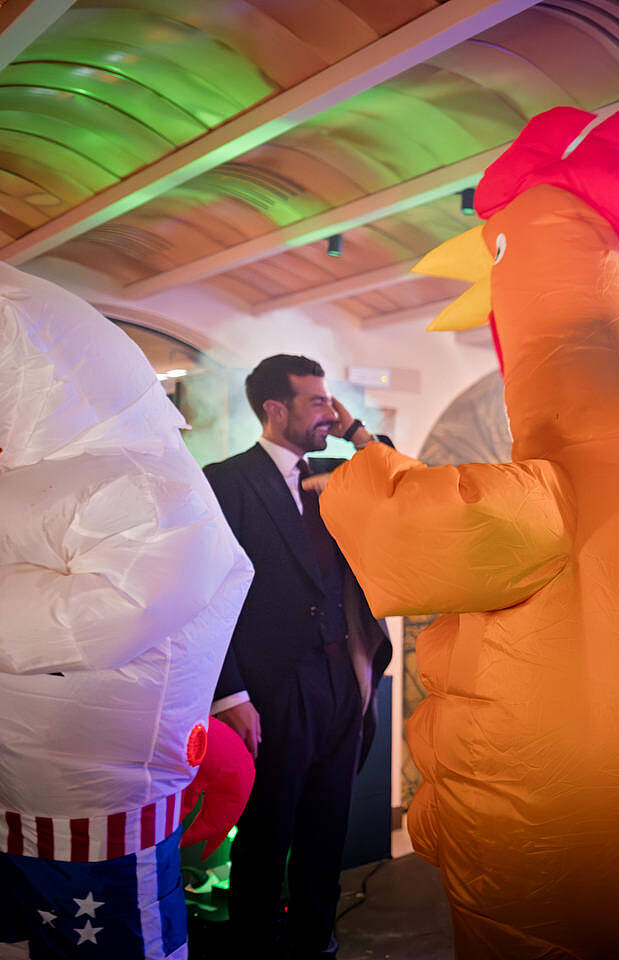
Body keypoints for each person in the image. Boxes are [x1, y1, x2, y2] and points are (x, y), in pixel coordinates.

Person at [0, 263, 253, 958]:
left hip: (102, 808)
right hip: (20, 794)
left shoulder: (146, 480)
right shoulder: (32, 474)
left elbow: (107, 615)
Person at [204, 355, 391, 959]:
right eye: (316, 402)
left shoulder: (340, 470)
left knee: (327, 825)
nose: (328, 413)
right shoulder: (226, 480)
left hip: (343, 676)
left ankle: (317, 942)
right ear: (273, 409)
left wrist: (355, 432)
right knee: (266, 832)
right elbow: (205, 590)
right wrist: (229, 694)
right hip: (273, 685)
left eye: (331, 402)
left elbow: (403, 479)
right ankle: (256, 947)